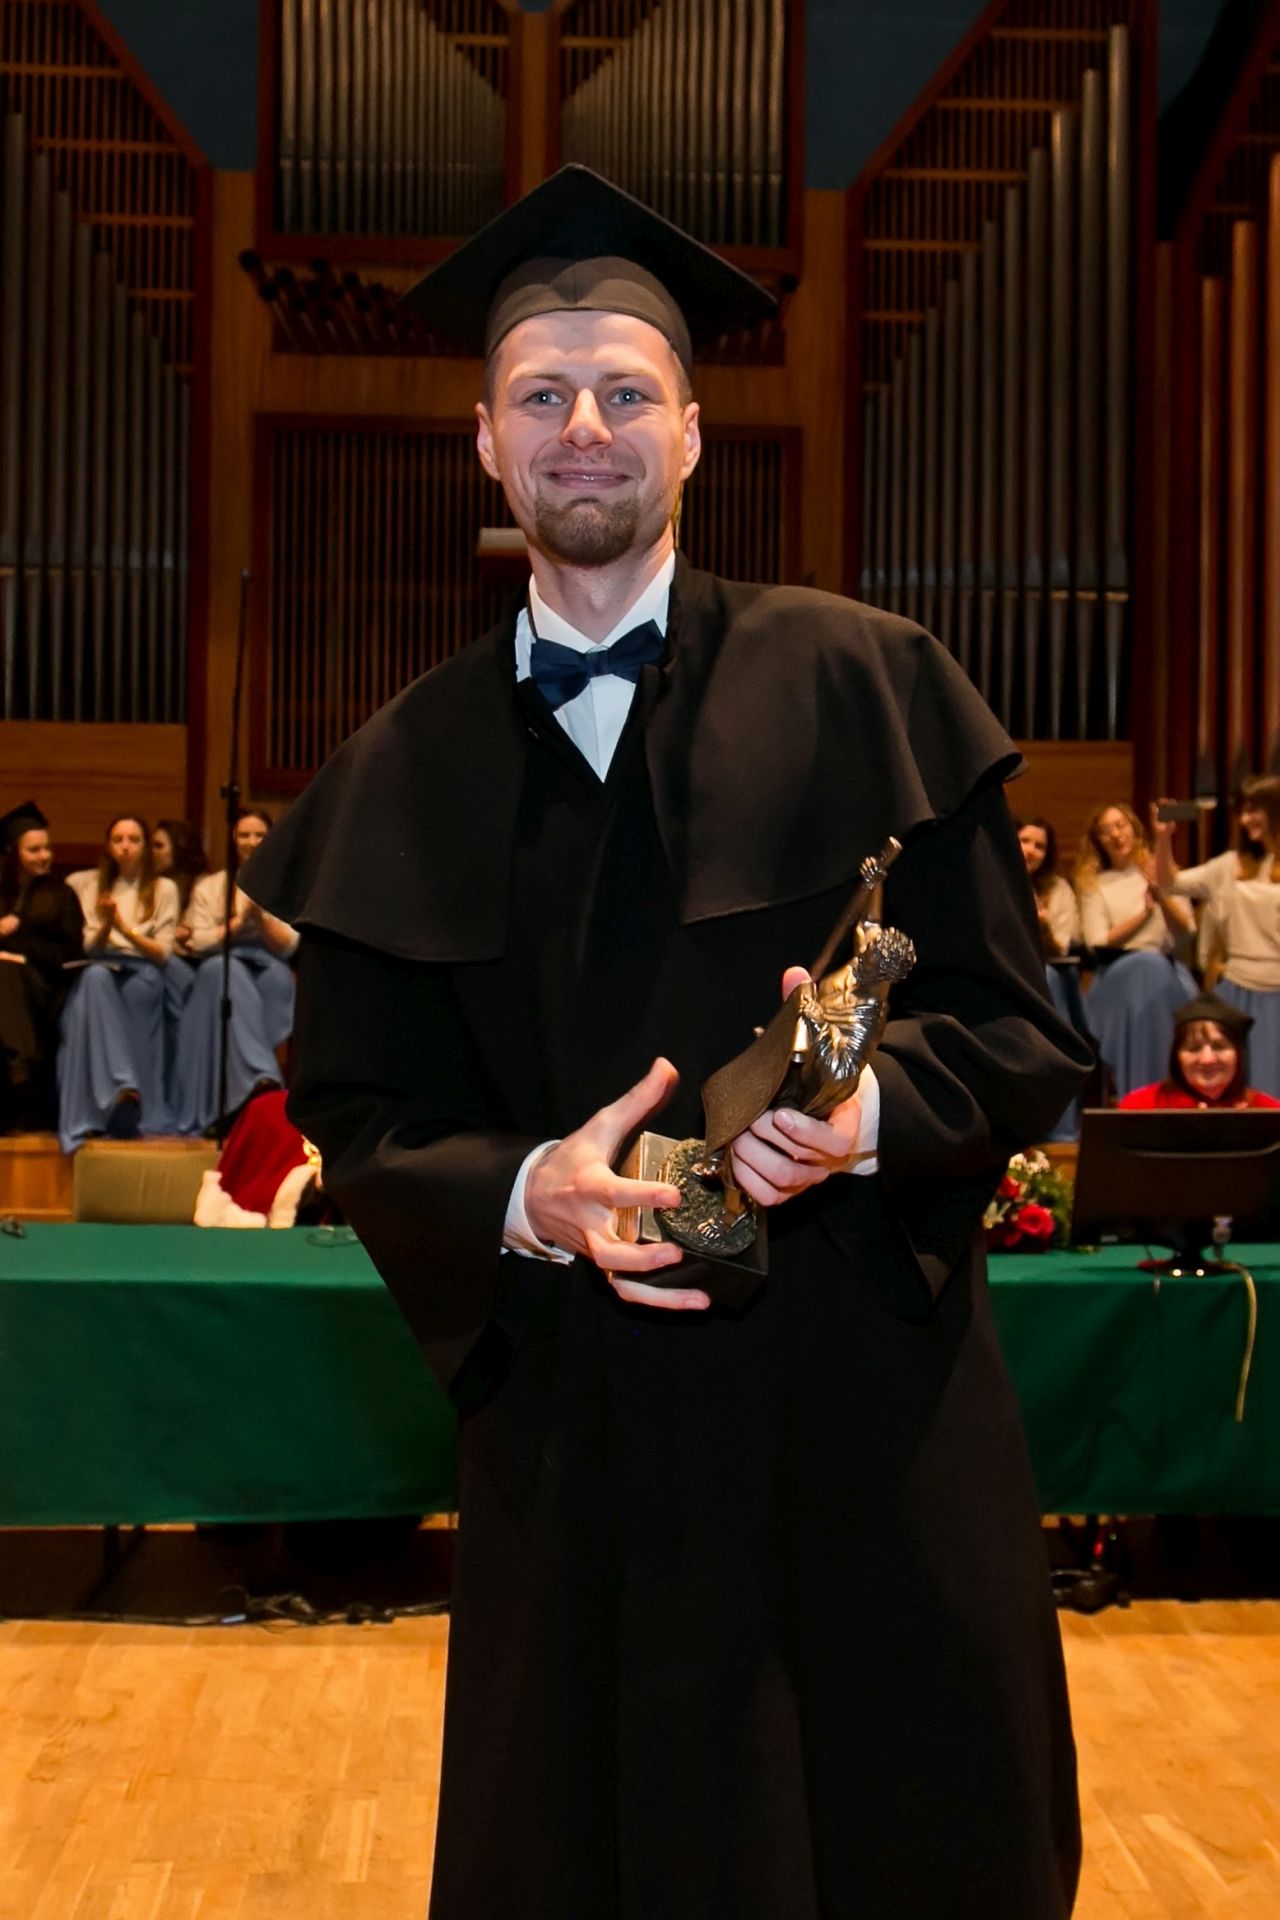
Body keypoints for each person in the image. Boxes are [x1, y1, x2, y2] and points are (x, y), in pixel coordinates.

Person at [242, 167, 1090, 1920]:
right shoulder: (397, 771)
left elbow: (1023, 1032)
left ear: (694, 435)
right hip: (583, 1450)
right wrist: (524, 1192)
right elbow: (360, 1112)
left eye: (626, 391)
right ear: (485, 444)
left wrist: (866, 1120)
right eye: (542, 395)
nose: (585, 428)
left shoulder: (873, 682)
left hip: (862, 1421)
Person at [1151, 777, 1280, 1098]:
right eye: (1243, 811)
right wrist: (1163, 838)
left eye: (1254, 810)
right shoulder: (1229, 865)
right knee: (1235, 1089)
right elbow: (1169, 883)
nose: (1245, 819)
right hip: (1236, 991)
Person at [172, 809, 298, 1136]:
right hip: (220, 963)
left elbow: (289, 944)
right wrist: (238, 924)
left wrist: (261, 919)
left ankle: (247, 1093)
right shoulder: (211, 885)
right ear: (233, 839)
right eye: (244, 835)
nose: (251, 842)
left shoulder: (286, 882)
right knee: (223, 971)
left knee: (273, 981)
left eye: (259, 835)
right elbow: (196, 941)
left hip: (269, 963)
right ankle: (260, 1079)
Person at [60, 815, 179, 1151]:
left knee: (124, 986)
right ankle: (117, 1095)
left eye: (134, 840)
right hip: (104, 967)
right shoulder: (92, 885)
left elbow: (163, 952)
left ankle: (130, 1101)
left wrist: (123, 928)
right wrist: (105, 925)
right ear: (108, 846)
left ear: (145, 846)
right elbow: (90, 946)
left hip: (143, 971)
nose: (126, 847)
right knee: (94, 978)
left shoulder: (163, 888)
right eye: (118, 840)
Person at [1074, 800, 1195, 1099]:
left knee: (1154, 968)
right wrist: (1144, 915)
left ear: (1134, 829)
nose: (1116, 834)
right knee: (1145, 966)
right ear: (1097, 840)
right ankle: (1138, 1096)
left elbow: (1186, 930)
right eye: (1106, 830)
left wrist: (1160, 896)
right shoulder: (1094, 884)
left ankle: (1171, 1096)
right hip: (1117, 972)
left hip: (1165, 969)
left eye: (1121, 825)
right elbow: (1098, 941)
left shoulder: (1162, 871)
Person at [0, 802, 84, 1131]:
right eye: (34, 850)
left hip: (45, 986)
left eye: (47, 848)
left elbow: (69, 954)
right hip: (7, 994)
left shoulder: (61, 895)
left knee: (6, 972)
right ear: (13, 853)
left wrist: (20, 949)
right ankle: (17, 1069)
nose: (44, 856)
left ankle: (19, 1072)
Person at [1118, 992, 1280, 1110]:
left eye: (1219, 1047)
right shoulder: (1140, 1107)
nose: (1207, 1059)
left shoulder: (1267, 1112)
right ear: (1176, 1056)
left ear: (1238, 1055)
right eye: (1193, 1048)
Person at [151, 818, 209, 1111]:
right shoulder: (150, 885)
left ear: (178, 847)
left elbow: (195, 933)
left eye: (159, 845)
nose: (152, 852)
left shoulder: (201, 884)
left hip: (194, 964)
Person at [1016, 816, 1080, 956]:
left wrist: (1043, 928)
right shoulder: (991, 881)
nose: (1030, 850)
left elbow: (1061, 951)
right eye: (1024, 841)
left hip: (1046, 963)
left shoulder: (1059, 889)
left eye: (1039, 846)